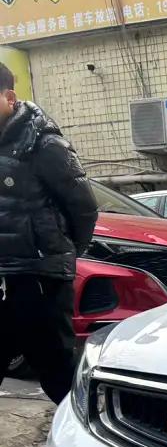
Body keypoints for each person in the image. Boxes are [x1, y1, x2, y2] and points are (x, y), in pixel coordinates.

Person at [0, 62, 96, 405]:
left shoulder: (43, 143)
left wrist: (60, 255)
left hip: (37, 278)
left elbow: (83, 207)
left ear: (10, 97)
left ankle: (83, 432)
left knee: (57, 373)